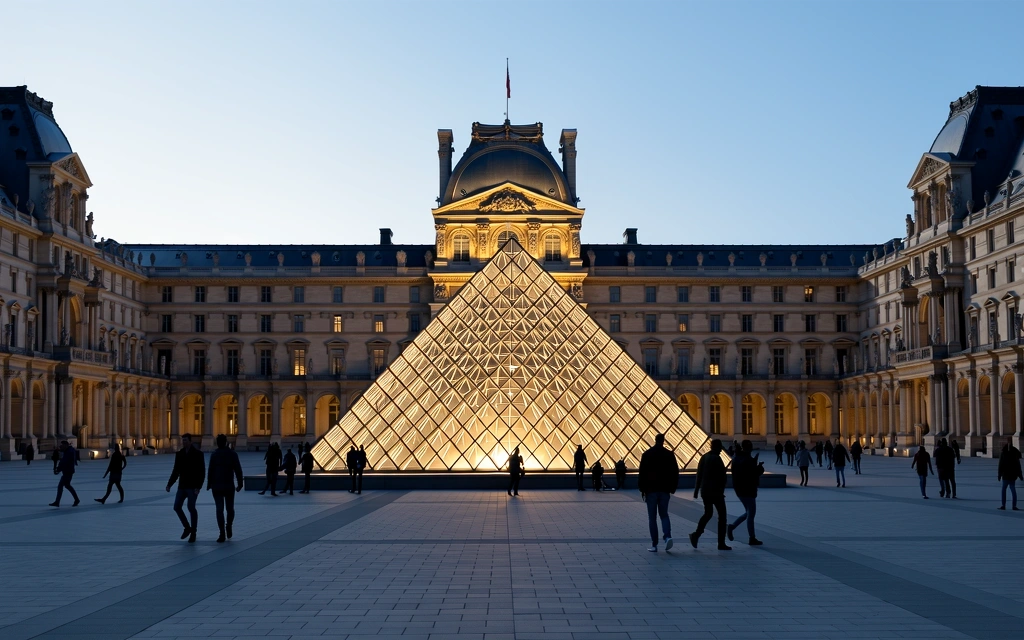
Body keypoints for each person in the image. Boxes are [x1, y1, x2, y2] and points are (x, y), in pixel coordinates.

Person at [638, 433, 679, 553]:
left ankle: (654, 544)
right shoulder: (669, 454)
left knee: (652, 518)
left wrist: (642, 489)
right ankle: (667, 537)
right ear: (663, 441)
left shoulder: (647, 454)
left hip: (650, 490)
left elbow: (642, 473)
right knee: (664, 515)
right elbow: (674, 472)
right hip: (665, 490)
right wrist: (672, 488)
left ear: (655, 440)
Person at [690, 439, 730, 551]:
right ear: (717, 447)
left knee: (708, 513)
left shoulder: (704, 457)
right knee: (722, 516)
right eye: (720, 447)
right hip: (716, 492)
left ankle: (697, 534)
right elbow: (722, 477)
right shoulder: (717, 459)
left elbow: (699, 475)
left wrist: (696, 490)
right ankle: (721, 543)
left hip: (705, 491)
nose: (722, 450)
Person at [166, 433, 205, 543]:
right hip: (182, 485)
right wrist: (169, 484)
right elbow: (176, 470)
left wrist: (199, 486)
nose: (184, 442)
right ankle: (187, 527)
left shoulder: (198, 454)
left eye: (186, 440)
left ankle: (193, 532)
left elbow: (201, 472)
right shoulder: (180, 454)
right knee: (177, 506)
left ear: (190, 441)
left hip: (193, 486)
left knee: (191, 508)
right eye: (183, 440)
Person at [206, 434, 243, 543]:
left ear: (217, 443)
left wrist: (209, 484)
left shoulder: (214, 455)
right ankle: (229, 525)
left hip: (216, 486)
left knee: (219, 509)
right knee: (230, 508)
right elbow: (238, 469)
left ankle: (222, 533)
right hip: (228, 485)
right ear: (226, 442)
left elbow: (210, 470)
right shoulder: (232, 454)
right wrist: (240, 483)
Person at [727, 440, 765, 546]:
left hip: (739, 489)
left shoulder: (736, 458)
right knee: (751, 514)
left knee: (749, 512)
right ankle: (751, 538)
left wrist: (754, 462)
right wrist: (759, 467)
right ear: (749, 448)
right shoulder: (747, 460)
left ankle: (732, 526)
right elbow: (753, 474)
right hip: (748, 489)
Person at [49, 440, 80, 507]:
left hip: (68, 471)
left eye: (62, 445)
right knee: (67, 486)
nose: (61, 447)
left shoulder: (69, 452)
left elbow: (64, 462)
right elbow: (64, 461)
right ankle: (76, 499)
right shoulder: (68, 451)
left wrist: (58, 469)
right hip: (68, 471)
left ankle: (58, 502)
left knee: (62, 486)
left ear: (65, 445)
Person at [997, 437, 1022, 510]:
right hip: (1012, 474)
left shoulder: (1003, 452)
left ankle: (1003, 505)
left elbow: (1000, 464)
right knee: (1013, 489)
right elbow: (1018, 464)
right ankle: (1014, 506)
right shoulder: (1015, 451)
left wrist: (999, 474)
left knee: (1004, 489)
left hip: (1005, 474)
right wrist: (1020, 474)